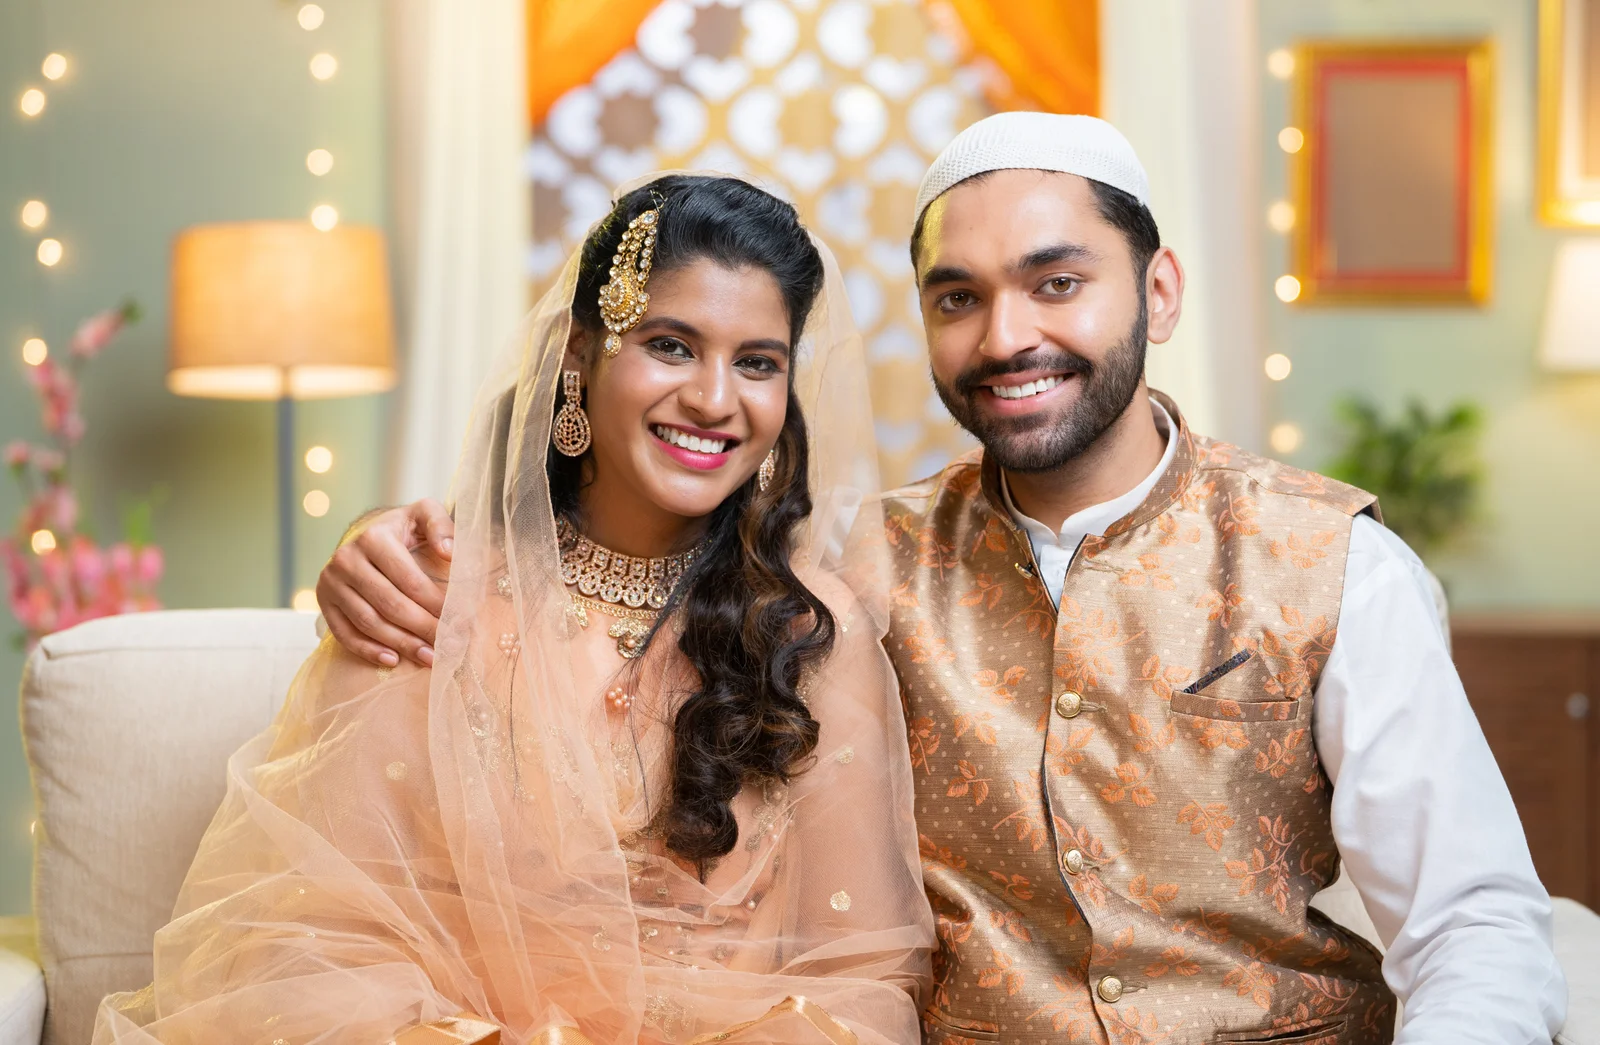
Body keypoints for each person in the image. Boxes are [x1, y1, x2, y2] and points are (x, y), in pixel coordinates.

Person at [318, 115, 1566, 1045]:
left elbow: (1472, 922)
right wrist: (387, 544)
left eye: (1057, 282)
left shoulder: (1333, 564)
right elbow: (628, 574)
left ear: (1159, 291)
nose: (1007, 335)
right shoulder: (850, 572)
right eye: (958, 297)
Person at [95, 174, 933, 1045]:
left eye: (756, 362)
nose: (715, 399)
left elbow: (858, 979)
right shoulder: (427, 594)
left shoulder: (807, 632)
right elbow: (313, 946)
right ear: (578, 353)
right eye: (671, 345)